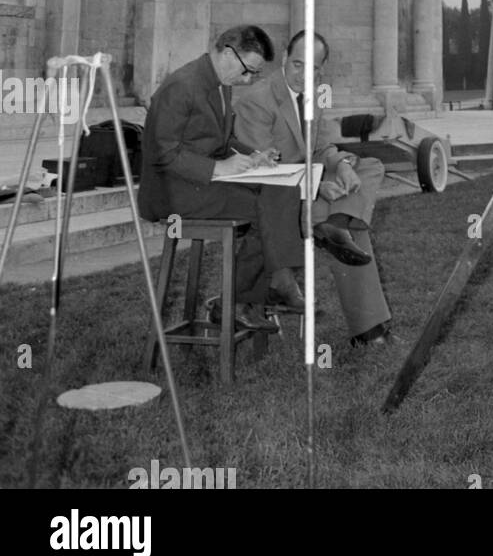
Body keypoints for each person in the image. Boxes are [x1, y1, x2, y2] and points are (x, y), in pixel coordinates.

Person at [232, 30, 395, 347]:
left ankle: (336, 224)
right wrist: (319, 186)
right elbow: (266, 172)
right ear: (283, 59)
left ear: (322, 70)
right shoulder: (257, 100)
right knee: (353, 230)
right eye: (297, 65)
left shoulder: (315, 97)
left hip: (306, 194)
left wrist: (344, 166)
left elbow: (322, 150)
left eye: (313, 69)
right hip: (274, 206)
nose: (303, 75)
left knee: (371, 166)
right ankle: (369, 330)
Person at [138, 25, 305, 329]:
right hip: (172, 191)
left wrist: (254, 156)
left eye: (253, 75)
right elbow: (163, 153)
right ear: (228, 53)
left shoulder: (220, 83)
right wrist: (218, 169)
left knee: (283, 188)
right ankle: (248, 297)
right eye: (248, 71)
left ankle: (257, 292)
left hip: (198, 180)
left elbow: (220, 141)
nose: (248, 80)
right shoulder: (182, 85)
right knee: (262, 208)